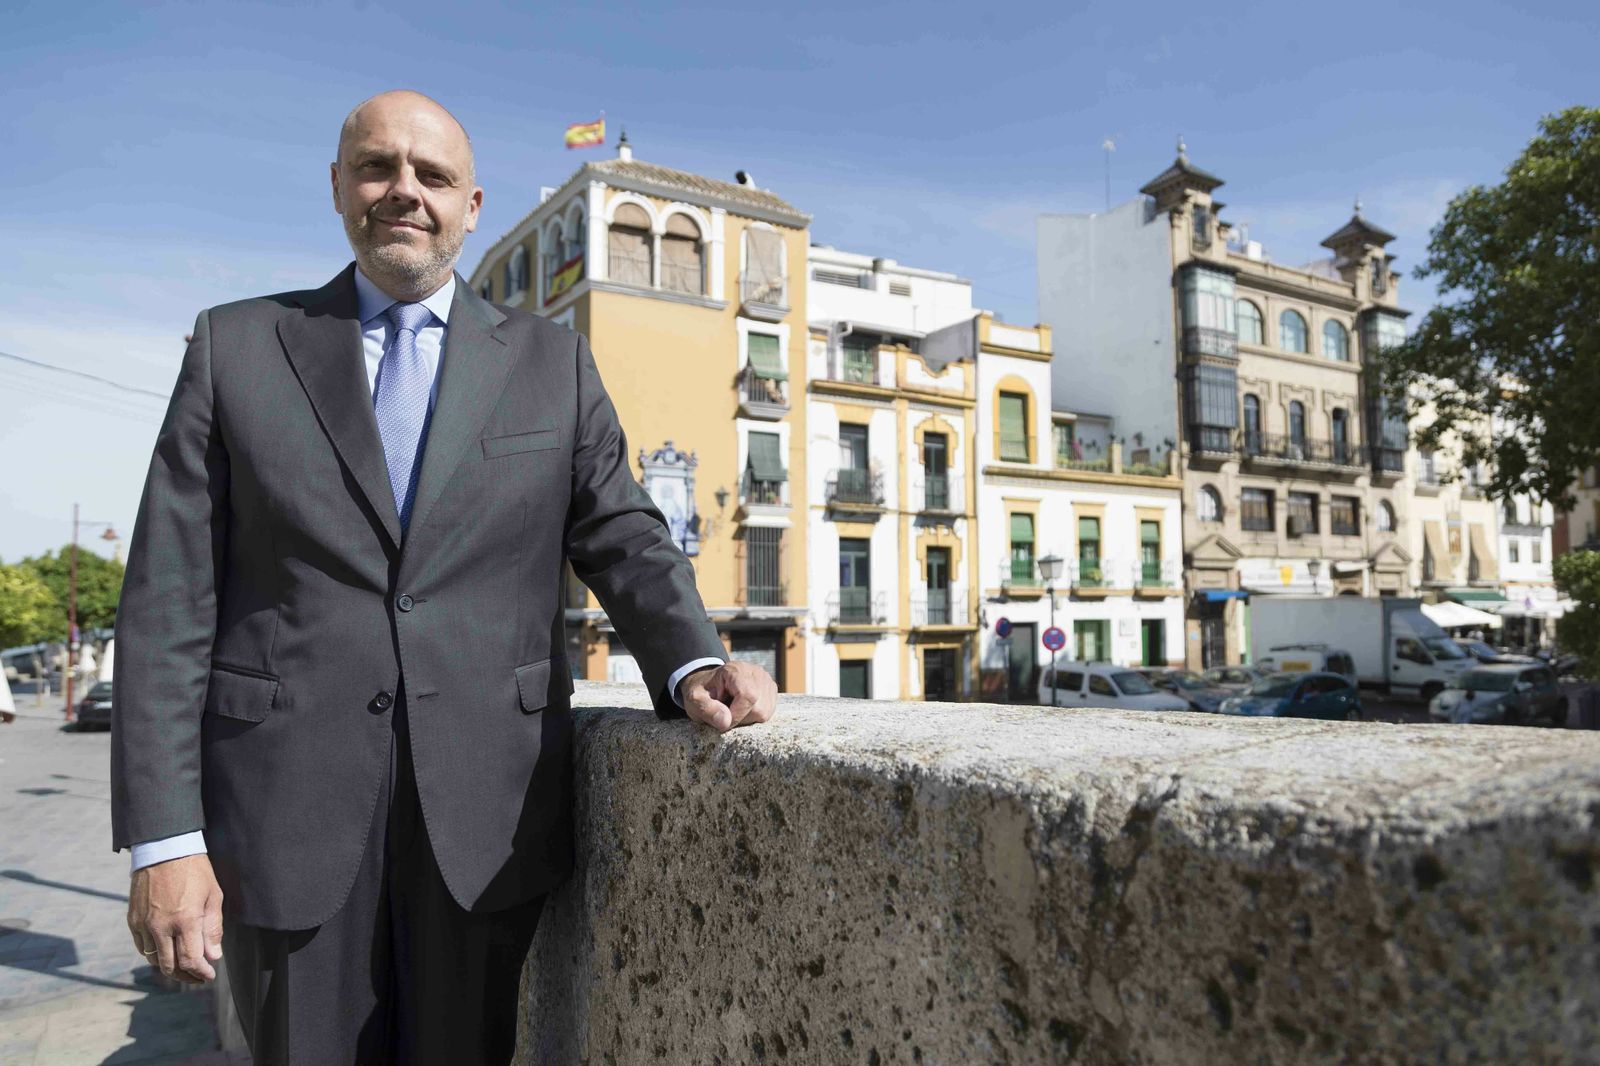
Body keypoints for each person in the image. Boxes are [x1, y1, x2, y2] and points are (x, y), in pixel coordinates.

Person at [110, 89, 777, 1064]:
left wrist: (688, 664)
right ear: (338, 186)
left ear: (471, 208)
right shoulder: (235, 347)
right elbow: (169, 598)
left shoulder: (555, 366)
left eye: (433, 175)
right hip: (281, 815)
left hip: (486, 818)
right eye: (378, 167)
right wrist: (166, 840)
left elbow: (623, 533)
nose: (403, 191)